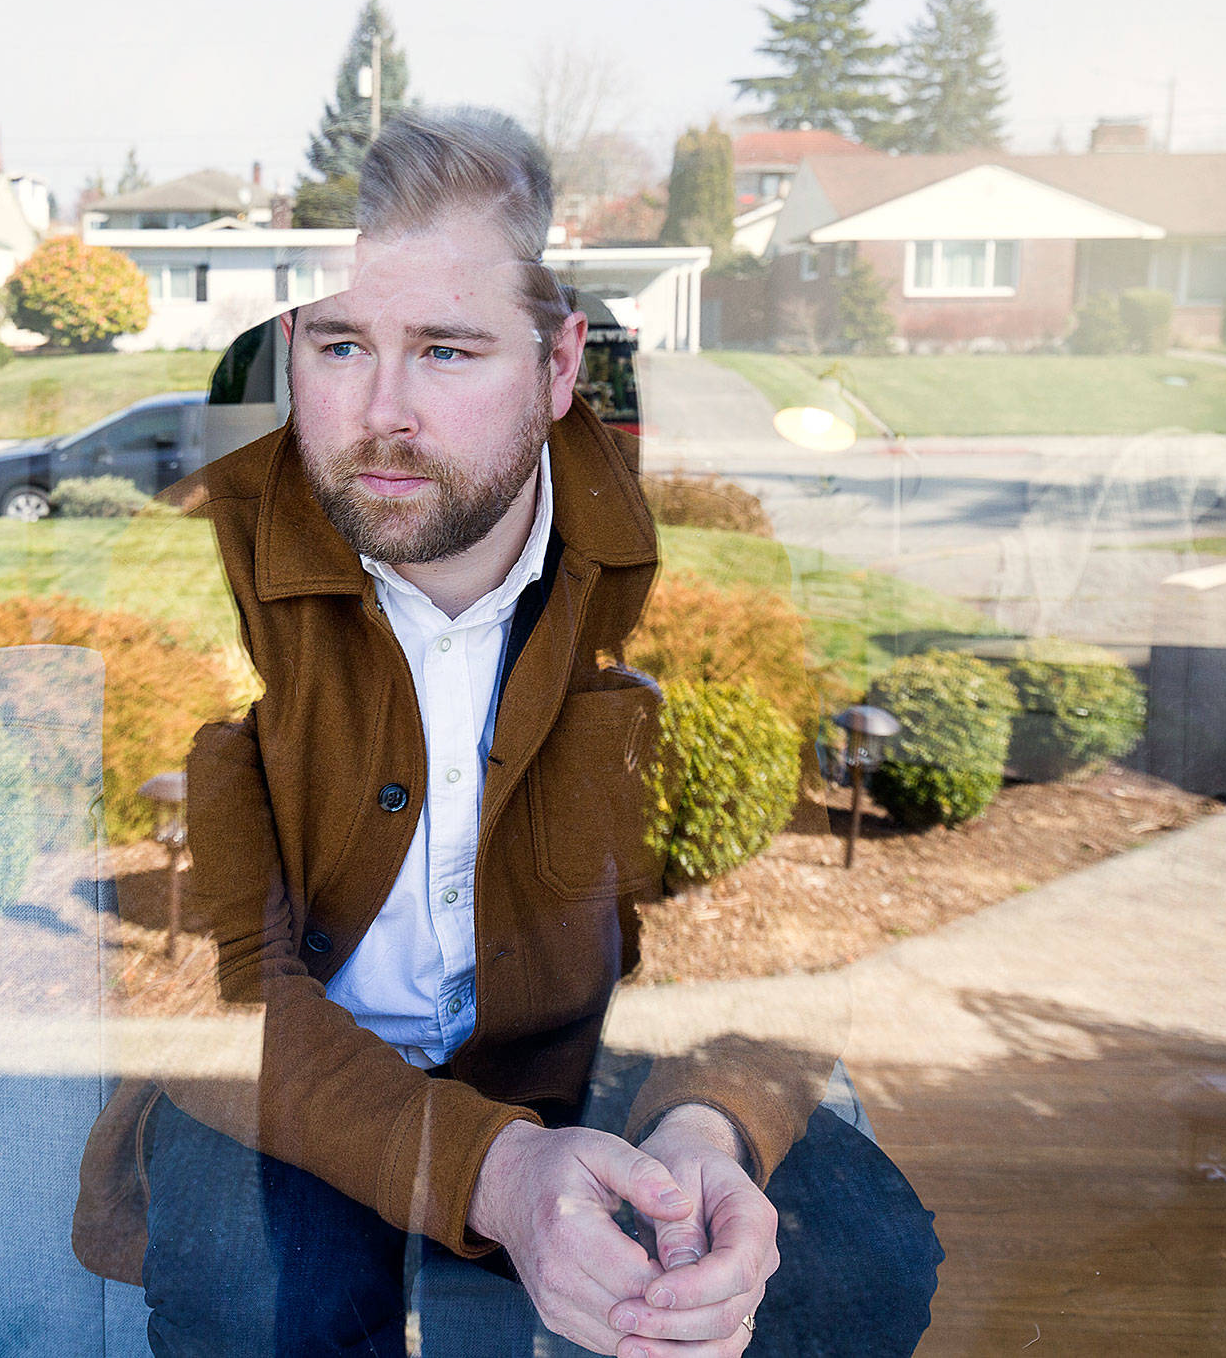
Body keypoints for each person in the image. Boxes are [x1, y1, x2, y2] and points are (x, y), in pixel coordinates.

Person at [73, 107, 939, 1357]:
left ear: (555, 366)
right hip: (296, 1090)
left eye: (444, 351)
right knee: (260, 1292)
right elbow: (200, 998)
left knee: (844, 1264)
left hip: (594, 1078)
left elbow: (753, 942)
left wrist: (702, 1132)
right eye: (338, 346)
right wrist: (495, 1176)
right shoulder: (209, 567)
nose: (379, 414)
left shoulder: (669, 592)